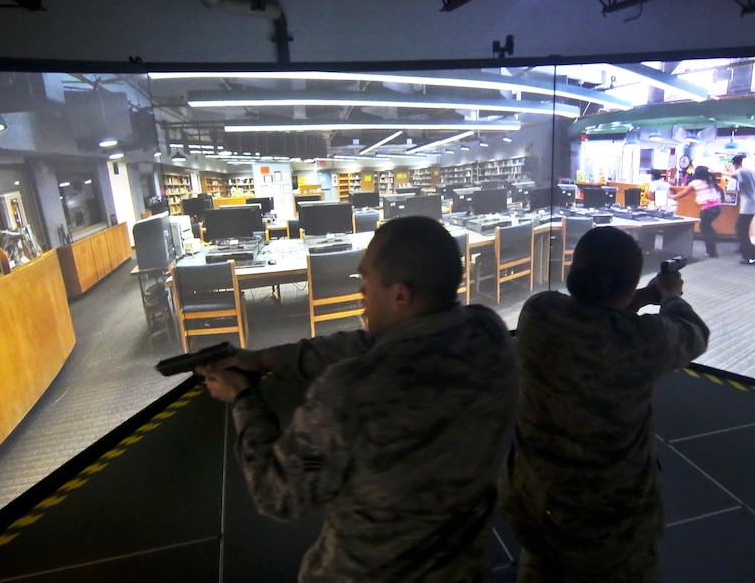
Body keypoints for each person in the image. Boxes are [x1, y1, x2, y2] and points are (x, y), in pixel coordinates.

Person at [197, 216, 519, 582]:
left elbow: (277, 492)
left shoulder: (348, 395)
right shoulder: (489, 334)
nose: (362, 298)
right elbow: (372, 344)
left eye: (365, 283)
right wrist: (265, 359)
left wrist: (242, 396)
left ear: (400, 295)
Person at [501, 226, 710, 582]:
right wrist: (669, 295)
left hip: (538, 510)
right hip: (613, 530)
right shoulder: (643, 340)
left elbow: (593, 314)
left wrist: (642, 296)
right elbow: (693, 332)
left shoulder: (540, 314)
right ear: (628, 284)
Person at [670, 165, 724, 257]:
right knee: (707, 226)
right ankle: (715, 238)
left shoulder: (694, 183)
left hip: (708, 208)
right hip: (717, 207)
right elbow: (721, 189)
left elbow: (683, 193)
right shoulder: (710, 180)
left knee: (705, 228)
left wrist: (672, 197)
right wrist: (721, 199)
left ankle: (712, 251)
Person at [730, 154, 755, 265]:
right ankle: (746, 249)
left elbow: (732, 175)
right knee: (742, 229)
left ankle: (750, 256)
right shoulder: (751, 172)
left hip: (747, 205)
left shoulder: (740, 171)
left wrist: (715, 172)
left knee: (741, 230)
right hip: (752, 204)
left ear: (735, 164)